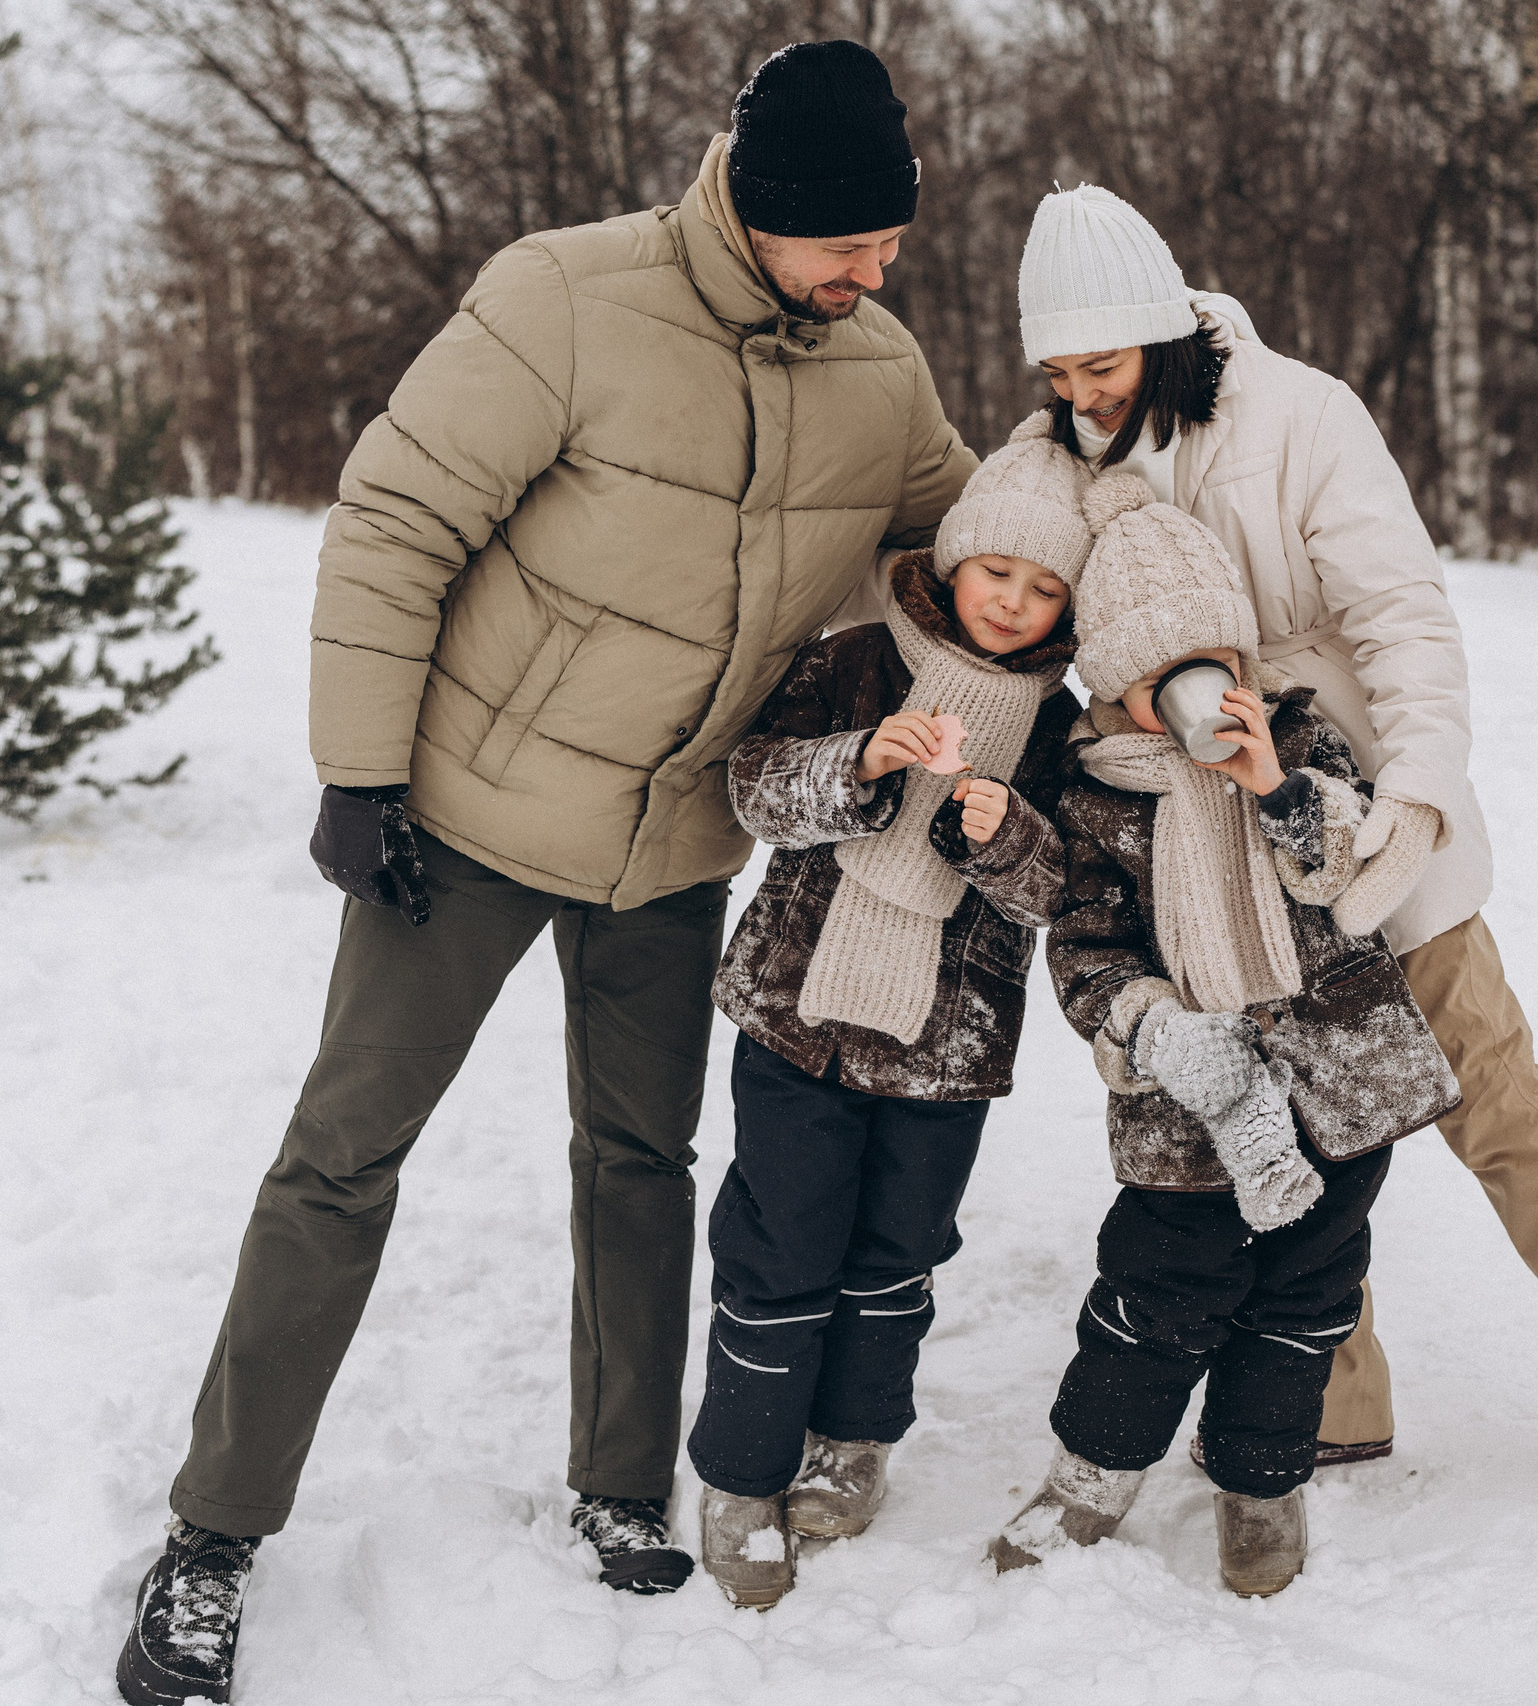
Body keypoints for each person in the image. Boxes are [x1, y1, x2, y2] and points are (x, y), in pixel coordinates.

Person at [112, 41, 977, 1706]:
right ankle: (214, 1536)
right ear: (764, 211)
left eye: (891, 247)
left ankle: (614, 1483)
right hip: (466, 819)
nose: (877, 275)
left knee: (642, 1162)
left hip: (669, 843)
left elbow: (970, 545)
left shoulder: (879, 369)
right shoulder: (563, 299)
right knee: (342, 1159)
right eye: (849, 246)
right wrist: (360, 771)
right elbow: (393, 521)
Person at [1006, 184, 1538, 1513]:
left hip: (1347, 825)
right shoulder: (1063, 456)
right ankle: (1336, 1387)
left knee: (1488, 1095)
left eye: (1098, 364)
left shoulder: (1301, 419)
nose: (1079, 393)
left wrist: (1413, 801)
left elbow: (1405, 621)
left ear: (1162, 335)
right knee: (1273, 1112)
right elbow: (1007, 582)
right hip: (1199, 862)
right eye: (1054, 371)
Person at [989, 466, 1460, 1597]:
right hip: (1188, 1090)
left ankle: (1262, 1483)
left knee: (1309, 1291)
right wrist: (1156, 1030)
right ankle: (1090, 1474)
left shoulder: (1300, 748)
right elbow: (1087, 949)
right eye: (1155, 677)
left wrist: (1274, 781)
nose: (1187, 692)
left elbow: (1350, 884)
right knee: (1156, 1287)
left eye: (1206, 664)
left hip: (1339, 1077)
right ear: (1112, 684)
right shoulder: (1097, 794)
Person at [686, 427, 1090, 1607]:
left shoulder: (1062, 726)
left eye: (1043, 586)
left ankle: (852, 1439)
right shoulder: (859, 659)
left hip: (942, 1049)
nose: (1012, 602)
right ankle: (742, 1468)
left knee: (895, 1252)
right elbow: (756, 786)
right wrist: (860, 761)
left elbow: (1058, 886)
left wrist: (997, 831)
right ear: (951, 562)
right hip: (793, 1013)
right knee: (780, 1239)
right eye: (995, 572)